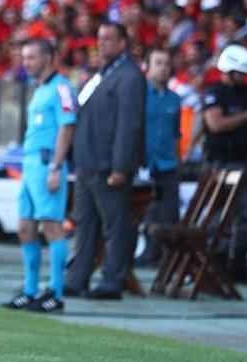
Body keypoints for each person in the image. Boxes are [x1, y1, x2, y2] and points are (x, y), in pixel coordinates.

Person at [65, 22, 146, 300]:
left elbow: (129, 125)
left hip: (107, 165)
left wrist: (121, 166)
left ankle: (113, 280)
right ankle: (78, 278)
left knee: (114, 226)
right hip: (87, 163)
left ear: (123, 43)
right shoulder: (100, 74)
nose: (102, 44)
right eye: (100, 38)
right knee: (84, 223)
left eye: (109, 39)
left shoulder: (130, 76)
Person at [3, 40, 76, 313]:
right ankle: (30, 289)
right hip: (30, 164)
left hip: (47, 163)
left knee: (52, 226)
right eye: (24, 57)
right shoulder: (39, 89)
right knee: (25, 227)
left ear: (48, 58)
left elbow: (67, 128)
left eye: (32, 57)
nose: (26, 63)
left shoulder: (62, 88)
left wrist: (56, 167)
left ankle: (55, 292)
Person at [202, 44, 247, 284]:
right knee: (218, 217)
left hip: (242, 163)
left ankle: (237, 263)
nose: (244, 78)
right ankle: (215, 264)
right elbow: (216, 124)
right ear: (229, 71)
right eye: (241, 74)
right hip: (220, 164)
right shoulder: (215, 93)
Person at [138, 47, 183, 267]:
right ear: (147, 67)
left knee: (168, 212)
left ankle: (165, 256)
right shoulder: (139, 95)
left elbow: (176, 133)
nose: (164, 68)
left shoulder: (175, 99)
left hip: (167, 164)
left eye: (167, 64)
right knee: (145, 211)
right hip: (143, 163)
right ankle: (147, 251)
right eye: (159, 63)